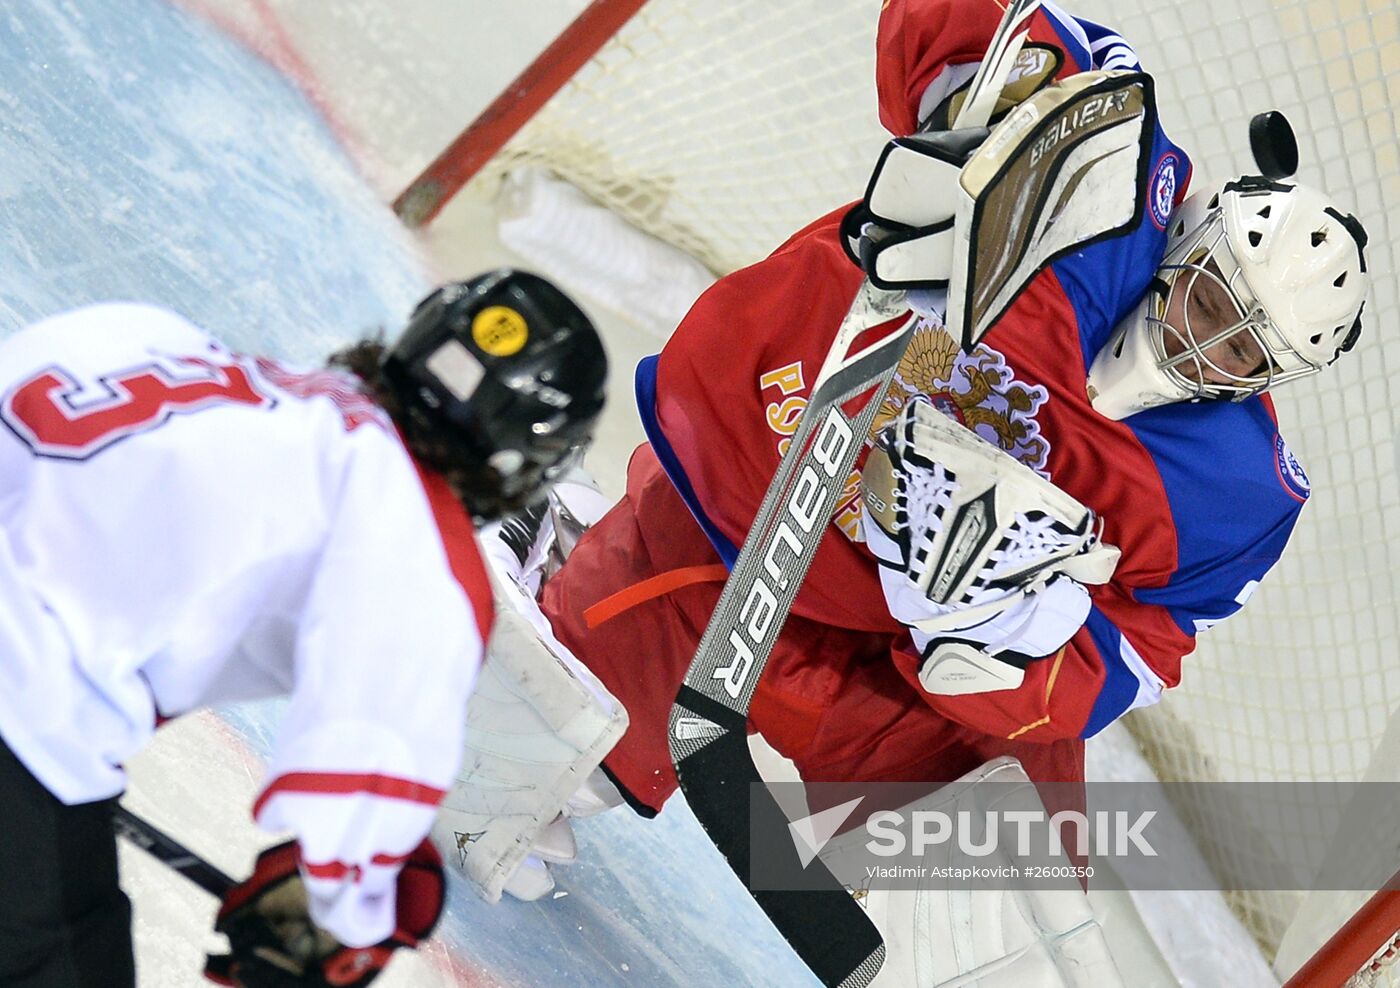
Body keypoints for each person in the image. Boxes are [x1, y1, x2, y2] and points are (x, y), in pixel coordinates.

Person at [515, 0, 1369, 867]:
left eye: (1250, 352)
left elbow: (1138, 649)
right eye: (1215, 302)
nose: (1209, 346)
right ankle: (568, 573)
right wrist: (983, 96)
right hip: (776, 481)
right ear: (1196, 234)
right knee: (566, 749)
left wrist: (1000, 642)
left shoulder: (1239, 495)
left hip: (904, 647)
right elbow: (984, 29)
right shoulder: (1108, 184)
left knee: (1009, 840)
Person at [0, 269, 608, 988]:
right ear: (524, 464)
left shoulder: (159, 339)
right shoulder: (424, 556)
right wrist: (334, 924)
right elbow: (351, 835)